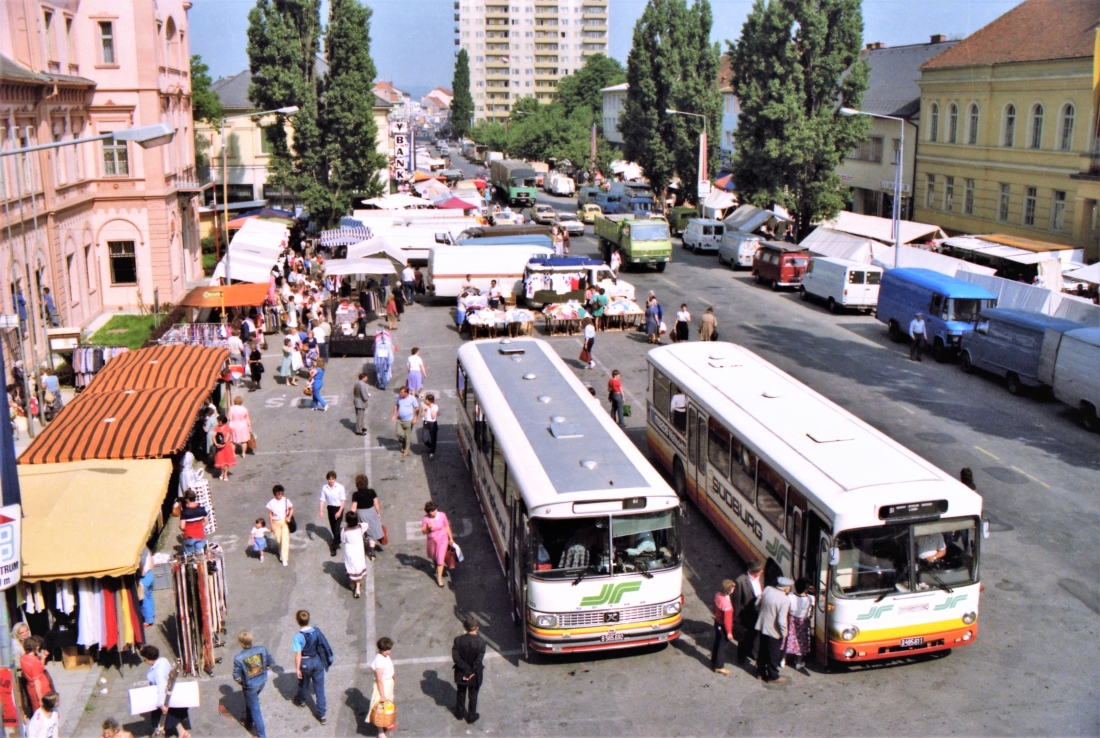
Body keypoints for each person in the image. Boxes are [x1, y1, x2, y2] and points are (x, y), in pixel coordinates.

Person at [141, 645, 191, 738]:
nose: (146, 661)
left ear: (150, 658)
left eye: (145, 659)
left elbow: (160, 688)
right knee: (171, 716)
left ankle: (159, 735)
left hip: (163, 698)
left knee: (161, 720)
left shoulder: (157, 671)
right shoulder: (163, 660)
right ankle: (182, 733)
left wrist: (161, 705)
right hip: (169, 694)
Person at [292, 610, 332, 725]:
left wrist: (298, 668)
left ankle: (301, 701)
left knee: (303, 683)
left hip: (305, 662)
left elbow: (298, 654)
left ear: (297, 621)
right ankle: (322, 715)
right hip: (317, 660)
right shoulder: (316, 631)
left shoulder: (298, 637)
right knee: (319, 688)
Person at [232, 631, 275, 738]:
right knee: (251, 702)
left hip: (250, 686)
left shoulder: (238, 658)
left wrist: (242, 681)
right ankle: (248, 723)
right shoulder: (262, 649)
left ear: (241, 643)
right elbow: (271, 662)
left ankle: (262, 735)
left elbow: (236, 676)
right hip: (262, 681)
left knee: (256, 710)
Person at [755, 576, 793, 684]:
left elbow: (756, 604)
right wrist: (784, 632)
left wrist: (762, 616)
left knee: (762, 650)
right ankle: (773, 676)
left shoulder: (767, 589)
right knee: (773, 654)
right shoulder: (784, 600)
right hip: (774, 631)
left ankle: (760, 673)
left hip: (762, 626)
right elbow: (781, 619)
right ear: (786, 588)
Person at [452, 615, 486, 724]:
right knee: (473, 695)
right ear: (477, 628)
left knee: (461, 692)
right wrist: (470, 672)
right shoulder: (481, 642)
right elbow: (478, 660)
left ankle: (459, 713)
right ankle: (471, 716)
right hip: (474, 674)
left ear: (465, 627)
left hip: (461, 672)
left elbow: (456, 658)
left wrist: (465, 671)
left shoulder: (458, 640)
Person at [734, 560, 766, 666]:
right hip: (745, 614)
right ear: (755, 571)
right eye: (761, 570)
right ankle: (741, 657)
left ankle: (752, 652)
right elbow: (737, 601)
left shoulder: (760, 578)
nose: (762, 571)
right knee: (743, 637)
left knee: (754, 634)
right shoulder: (741, 581)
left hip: (757, 612)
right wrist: (737, 617)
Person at [781, 577, 813, 672]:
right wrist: (814, 591)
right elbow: (821, 600)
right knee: (801, 641)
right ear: (807, 588)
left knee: (788, 639)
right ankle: (798, 662)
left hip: (791, 619)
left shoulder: (790, 595)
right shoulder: (810, 599)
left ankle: (783, 659)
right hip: (803, 621)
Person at [350, 475, 384, 561]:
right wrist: (378, 513)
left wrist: (351, 517)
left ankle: (362, 548)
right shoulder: (372, 492)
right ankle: (372, 554)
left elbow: (354, 507)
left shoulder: (355, 495)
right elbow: (376, 503)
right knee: (371, 532)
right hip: (371, 512)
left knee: (363, 531)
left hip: (361, 513)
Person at [422, 501, 454, 588]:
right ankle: (435, 566)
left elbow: (447, 526)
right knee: (433, 556)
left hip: (442, 539)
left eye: (435, 510)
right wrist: (428, 528)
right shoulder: (425, 519)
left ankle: (439, 578)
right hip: (431, 540)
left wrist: (450, 538)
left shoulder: (442, 515)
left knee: (440, 558)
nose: (434, 512)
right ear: (428, 512)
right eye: (432, 511)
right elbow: (423, 532)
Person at [368, 638, 396, 738]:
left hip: (388, 683)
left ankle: (387, 724)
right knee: (380, 709)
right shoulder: (378, 661)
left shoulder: (385, 656)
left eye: (388, 649)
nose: (388, 652)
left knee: (388, 705)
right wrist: (382, 695)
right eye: (385, 650)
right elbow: (380, 680)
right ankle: (380, 732)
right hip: (383, 686)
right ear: (380, 649)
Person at [20, 636, 54, 715]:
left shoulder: (24, 658)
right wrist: (40, 699)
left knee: (35, 709)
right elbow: (37, 682)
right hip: (41, 689)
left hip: (31, 688)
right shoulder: (34, 661)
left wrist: (42, 658)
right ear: (35, 646)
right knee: (45, 710)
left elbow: (39, 669)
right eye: (38, 645)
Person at [318, 471, 346, 557]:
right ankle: (338, 539)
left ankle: (334, 547)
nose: (331, 481)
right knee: (333, 528)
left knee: (337, 528)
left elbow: (343, 500)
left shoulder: (340, 487)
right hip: (330, 509)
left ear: (335, 479)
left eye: (332, 479)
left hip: (338, 508)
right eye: (329, 479)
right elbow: (322, 499)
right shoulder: (324, 488)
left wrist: (339, 512)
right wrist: (321, 511)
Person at [711, 579, 736, 675]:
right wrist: (729, 632)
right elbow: (727, 620)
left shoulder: (717, 595)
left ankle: (714, 661)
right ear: (729, 589)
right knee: (722, 646)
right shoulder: (726, 604)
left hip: (717, 623)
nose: (734, 589)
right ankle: (719, 666)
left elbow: (714, 607)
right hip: (723, 626)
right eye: (733, 588)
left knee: (717, 643)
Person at [342, 511, 368, 598]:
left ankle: (352, 583)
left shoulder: (345, 531)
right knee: (358, 567)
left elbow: (343, 540)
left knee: (351, 567)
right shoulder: (360, 527)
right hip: (358, 550)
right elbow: (366, 525)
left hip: (349, 550)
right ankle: (357, 588)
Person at [266, 485, 294, 566]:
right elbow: (270, 515)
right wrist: (271, 525)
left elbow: (291, 508)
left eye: (282, 493)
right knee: (278, 540)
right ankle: (280, 549)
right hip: (276, 522)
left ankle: (284, 558)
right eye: (279, 494)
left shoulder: (286, 500)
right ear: (275, 494)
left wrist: (289, 517)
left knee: (285, 539)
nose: (280, 495)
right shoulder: (271, 503)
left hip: (284, 521)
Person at [392, 387, 420, 458]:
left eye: (402, 392)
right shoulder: (399, 398)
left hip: (409, 420)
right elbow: (396, 405)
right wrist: (394, 415)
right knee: (399, 434)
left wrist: (415, 418)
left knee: (407, 436)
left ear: (406, 393)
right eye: (400, 392)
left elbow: (417, 408)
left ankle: (406, 450)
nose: (400, 393)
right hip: (400, 419)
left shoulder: (412, 399)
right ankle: (403, 445)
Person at [179, 490, 208, 555]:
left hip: (189, 537)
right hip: (200, 535)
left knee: (189, 557)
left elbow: (182, 527)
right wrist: (199, 526)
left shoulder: (184, 512)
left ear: (187, 499)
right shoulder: (201, 509)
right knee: (199, 556)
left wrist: (182, 528)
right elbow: (206, 521)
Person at [213, 414, 236, 481]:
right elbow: (214, 435)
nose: (218, 423)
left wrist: (223, 444)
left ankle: (225, 474)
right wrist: (216, 443)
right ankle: (222, 473)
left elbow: (227, 437)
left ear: (222, 421)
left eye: (219, 421)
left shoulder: (228, 428)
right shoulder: (217, 427)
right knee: (220, 460)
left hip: (226, 446)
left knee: (226, 461)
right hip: (219, 446)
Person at [422, 393, 440, 458]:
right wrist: (424, 409)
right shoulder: (425, 406)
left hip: (432, 424)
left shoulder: (435, 407)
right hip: (426, 423)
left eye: (426, 400)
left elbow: (433, 416)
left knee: (433, 438)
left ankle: (432, 451)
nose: (425, 401)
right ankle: (430, 446)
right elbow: (422, 415)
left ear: (430, 400)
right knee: (424, 439)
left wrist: (430, 408)